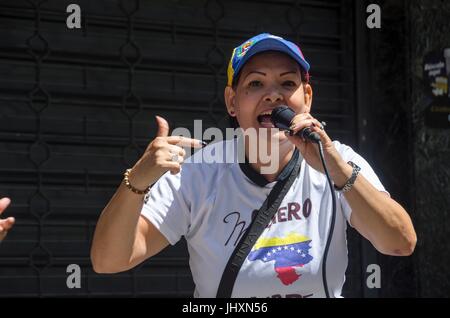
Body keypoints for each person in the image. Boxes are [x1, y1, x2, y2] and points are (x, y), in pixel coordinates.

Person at [91, 33, 417, 298]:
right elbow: (109, 260)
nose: (273, 95)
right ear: (232, 102)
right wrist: (137, 181)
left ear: (307, 97)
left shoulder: (338, 160)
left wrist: (338, 171)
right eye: (256, 84)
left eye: (287, 84)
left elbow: (400, 242)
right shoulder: (196, 173)